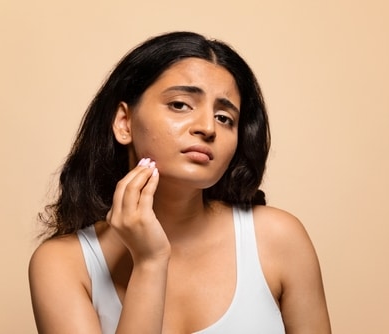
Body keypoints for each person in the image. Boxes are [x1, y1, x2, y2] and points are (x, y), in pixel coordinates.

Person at [29, 31, 331, 334]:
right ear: (124, 123)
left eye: (225, 117)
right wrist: (150, 263)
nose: (207, 127)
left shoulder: (278, 239)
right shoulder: (63, 264)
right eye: (180, 105)